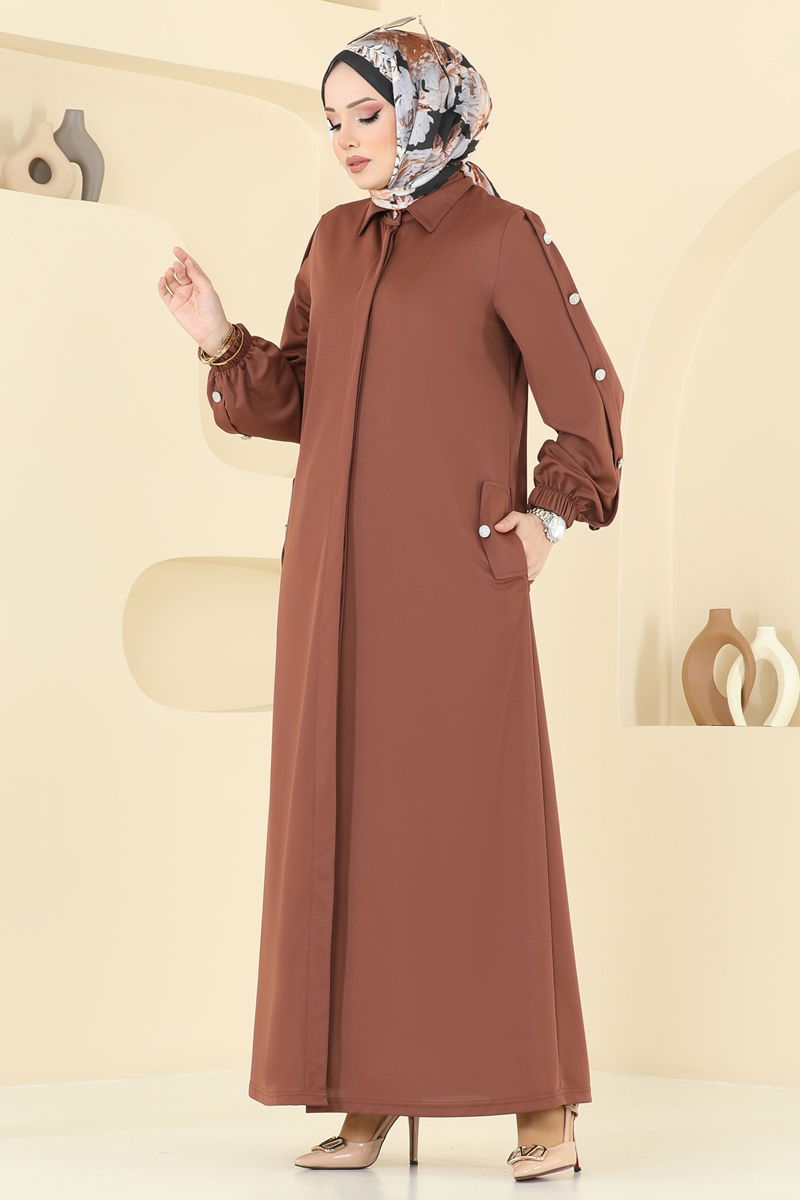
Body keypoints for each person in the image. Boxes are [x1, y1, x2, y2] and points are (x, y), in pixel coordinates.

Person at [157, 16, 624, 1181]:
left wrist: (546, 523)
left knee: (479, 835)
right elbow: (298, 399)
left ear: (428, 106)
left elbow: (588, 404)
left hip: (455, 588)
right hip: (332, 591)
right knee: (354, 835)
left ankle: (538, 1099)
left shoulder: (501, 237)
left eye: (365, 113)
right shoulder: (333, 241)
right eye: (331, 120)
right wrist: (215, 338)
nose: (345, 138)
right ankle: (367, 1091)